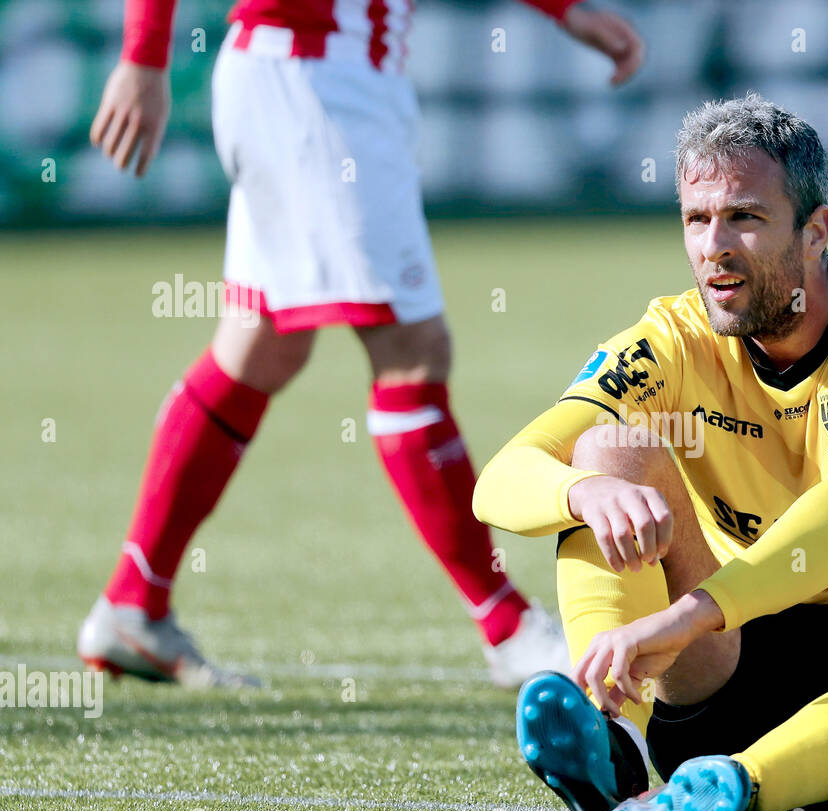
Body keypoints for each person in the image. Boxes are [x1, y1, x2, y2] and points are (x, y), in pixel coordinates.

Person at [473, 94, 828, 811]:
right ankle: (620, 747)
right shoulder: (671, 338)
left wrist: (694, 612)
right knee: (609, 453)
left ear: (816, 231)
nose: (714, 247)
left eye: (743, 216)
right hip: (735, 670)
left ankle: (743, 787)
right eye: (696, 220)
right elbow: (500, 479)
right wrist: (582, 489)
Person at [78, 0, 645, 688]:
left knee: (261, 349)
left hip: (325, 79)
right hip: (311, 80)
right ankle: (508, 629)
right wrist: (142, 56)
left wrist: (564, 12)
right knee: (413, 352)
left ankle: (133, 602)